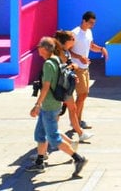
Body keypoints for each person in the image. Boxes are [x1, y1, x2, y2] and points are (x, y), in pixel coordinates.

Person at [26, 37, 88, 177]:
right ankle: (39, 163)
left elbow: (46, 86)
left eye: (40, 48)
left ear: (45, 48)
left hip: (49, 105)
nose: (39, 51)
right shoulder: (57, 60)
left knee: (53, 138)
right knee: (40, 134)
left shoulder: (48, 64)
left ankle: (78, 159)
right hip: (54, 103)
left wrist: (37, 104)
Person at [68, 11, 108, 133]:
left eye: (94, 23)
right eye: (90, 22)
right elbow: (68, 50)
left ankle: (77, 120)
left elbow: (91, 46)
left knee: (83, 95)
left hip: (85, 68)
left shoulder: (89, 32)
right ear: (84, 21)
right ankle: (75, 121)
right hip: (77, 68)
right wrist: (79, 57)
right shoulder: (74, 33)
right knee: (83, 94)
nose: (92, 25)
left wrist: (101, 49)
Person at [53, 29, 93, 142]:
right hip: (59, 87)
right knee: (57, 112)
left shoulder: (66, 51)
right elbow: (60, 69)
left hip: (66, 85)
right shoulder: (59, 53)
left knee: (72, 108)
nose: (75, 40)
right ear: (67, 41)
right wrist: (73, 67)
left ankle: (80, 132)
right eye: (72, 39)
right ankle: (51, 135)